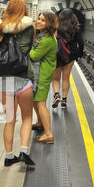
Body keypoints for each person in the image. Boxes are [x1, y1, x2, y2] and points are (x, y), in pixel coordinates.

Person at [0, 0, 35, 167]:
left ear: (8, 10)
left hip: (4, 79)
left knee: (9, 119)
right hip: (23, 77)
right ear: (24, 11)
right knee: (27, 118)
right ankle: (24, 151)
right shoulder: (28, 27)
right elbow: (26, 49)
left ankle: (9, 156)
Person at [29, 12, 58, 144]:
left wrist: (27, 46)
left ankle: (48, 134)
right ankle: (40, 123)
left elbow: (34, 56)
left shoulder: (47, 40)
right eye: (38, 19)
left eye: (43, 20)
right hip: (40, 73)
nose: (39, 21)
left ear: (49, 24)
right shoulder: (42, 36)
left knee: (41, 103)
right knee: (36, 100)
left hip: (42, 74)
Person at [51, 9, 84, 109]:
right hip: (70, 56)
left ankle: (57, 95)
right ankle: (64, 100)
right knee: (66, 78)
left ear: (60, 17)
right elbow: (81, 43)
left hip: (57, 55)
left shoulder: (56, 27)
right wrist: (79, 55)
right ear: (72, 17)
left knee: (56, 78)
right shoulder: (75, 28)